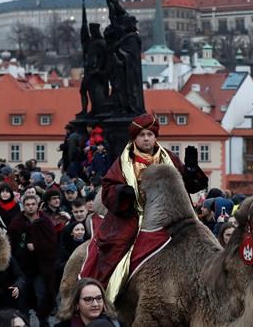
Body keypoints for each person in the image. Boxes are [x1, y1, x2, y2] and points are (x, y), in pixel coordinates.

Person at [79, 113, 207, 301]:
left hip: (170, 215)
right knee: (116, 248)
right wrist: (122, 192)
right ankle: (101, 292)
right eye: (142, 135)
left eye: (150, 134)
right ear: (135, 138)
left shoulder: (168, 157)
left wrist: (190, 169)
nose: (146, 138)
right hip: (133, 215)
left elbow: (192, 186)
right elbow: (108, 189)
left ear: (155, 137)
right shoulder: (124, 161)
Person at [8, 195, 57, 327]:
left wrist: (38, 246)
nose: (30, 206)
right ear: (24, 206)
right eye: (27, 204)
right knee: (22, 299)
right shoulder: (17, 222)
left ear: (37, 205)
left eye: (33, 204)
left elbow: (51, 242)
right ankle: (25, 323)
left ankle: (43, 321)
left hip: (40, 268)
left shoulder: (45, 221)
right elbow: (12, 244)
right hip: (23, 268)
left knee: (41, 296)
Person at [55, 278, 120, 327]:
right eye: (88, 299)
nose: (95, 304)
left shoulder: (116, 324)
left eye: (99, 298)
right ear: (76, 304)